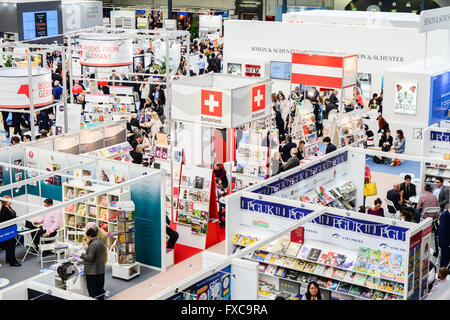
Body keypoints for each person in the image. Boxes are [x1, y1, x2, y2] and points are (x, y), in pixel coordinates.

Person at [81, 227, 106, 300]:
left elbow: (90, 257)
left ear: (89, 236)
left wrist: (82, 255)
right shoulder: (101, 242)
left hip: (92, 272)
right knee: (100, 289)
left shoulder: (93, 244)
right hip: (100, 270)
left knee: (92, 290)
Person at [0, 196, 21, 266]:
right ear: (5, 201)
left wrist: (16, 217)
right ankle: (12, 262)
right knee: (10, 245)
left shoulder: (9, 208)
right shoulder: (3, 210)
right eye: (9, 200)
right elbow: (5, 221)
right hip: (8, 230)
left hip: (12, 228)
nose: (11, 201)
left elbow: (11, 216)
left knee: (11, 245)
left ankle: (9, 259)